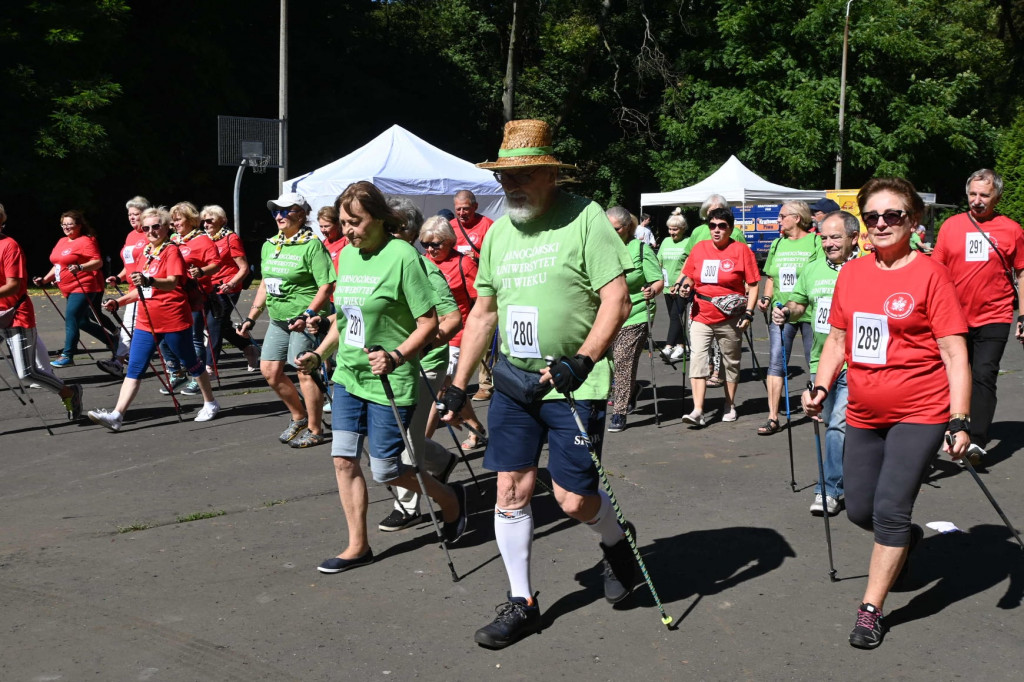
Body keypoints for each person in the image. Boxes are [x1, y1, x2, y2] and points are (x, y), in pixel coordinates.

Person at [439, 119, 635, 649]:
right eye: (505, 178)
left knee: (573, 500)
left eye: (523, 176)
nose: (513, 186)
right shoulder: (499, 233)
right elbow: (482, 313)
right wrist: (458, 386)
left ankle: (617, 542)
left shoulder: (586, 218)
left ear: (550, 174)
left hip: (575, 383)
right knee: (511, 487)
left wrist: (585, 359)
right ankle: (522, 601)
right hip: (514, 384)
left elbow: (616, 299)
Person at [803, 177, 970, 650]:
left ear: (912, 220)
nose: (880, 223)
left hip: (920, 410)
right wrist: (820, 386)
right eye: (872, 216)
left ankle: (871, 610)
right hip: (864, 409)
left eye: (892, 215)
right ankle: (907, 540)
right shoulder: (853, 274)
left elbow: (955, 354)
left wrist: (959, 418)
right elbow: (837, 339)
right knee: (860, 509)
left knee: (891, 510)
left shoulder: (930, 274)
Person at [296, 181, 466, 573]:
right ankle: (358, 545)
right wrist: (319, 353)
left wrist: (396, 355)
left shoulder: (403, 256)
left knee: (386, 468)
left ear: (378, 218)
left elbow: (429, 322)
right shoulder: (347, 257)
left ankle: (452, 500)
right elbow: (345, 318)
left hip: (391, 380)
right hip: (349, 376)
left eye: (355, 222)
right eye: (343, 222)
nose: (349, 230)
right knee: (343, 460)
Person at [87, 207, 220, 430]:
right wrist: (118, 302)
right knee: (135, 368)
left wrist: (150, 281)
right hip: (146, 321)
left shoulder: (171, 251)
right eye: (146, 228)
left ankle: (210, 402)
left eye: (156, 226)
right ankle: (117, 415)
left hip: (173, 318)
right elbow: (138, 288)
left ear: (167, 227)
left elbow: (173, 282)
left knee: (191, 363)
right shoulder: (146, 252)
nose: (151, 231)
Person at [375, 200, 461, 533]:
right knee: (391, 436)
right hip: (387, 365)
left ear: (411, 232)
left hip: (424, 364)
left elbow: (452, 318)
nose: (390, 234)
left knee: (406, 440)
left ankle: (406, 505)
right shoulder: (379, 265)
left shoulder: (424, 269)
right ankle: (441, 460)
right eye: (386, 227)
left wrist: (422, 344)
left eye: (396, 228)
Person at [932, 169, 1024, 465]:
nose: (977, 200)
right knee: (953, 375)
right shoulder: (951, 226)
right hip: (954, 316)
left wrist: (1023, 315)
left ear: (996, 195)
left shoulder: (1011, 229)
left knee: (984, 374)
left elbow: (1021, 273)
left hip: (994, 314)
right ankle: (953, 427)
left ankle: (977, 441)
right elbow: (936, 270)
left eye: (984, 195)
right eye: (973, 194)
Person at [772, 210, 859, 515]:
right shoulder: (812, 267)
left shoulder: (867, 268)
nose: (828, 243)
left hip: (857, 363)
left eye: (836, 237)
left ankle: (829, 489)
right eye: (824, 237)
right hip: (822, 362)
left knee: (838, 424)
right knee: (837, 425)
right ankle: (851, 477)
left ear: (853, 238)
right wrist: (786, 311)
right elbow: (799, 303)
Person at [238, 193, 335, 448]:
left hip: (305, 319)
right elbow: (265, 285)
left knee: (304, 370)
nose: (279, 216)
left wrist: (309, 314)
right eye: (275, 212)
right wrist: (251, 317)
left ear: (301, 214)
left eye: (285, 211)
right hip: (279, 318)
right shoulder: (270, 245)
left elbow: (326, 285)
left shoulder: (312, 245)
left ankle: (315, 429)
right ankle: (299, 416)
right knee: (269, 371)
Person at [674, 207, 758, 426]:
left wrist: (749, 312)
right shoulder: (700, 248)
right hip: (701, 314)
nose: (716, 230)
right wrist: (685, 286)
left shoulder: (741, 250)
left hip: (730, 317)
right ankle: (698, 410)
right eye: (712, 226)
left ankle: (729, 404)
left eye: (722, 226)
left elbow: (753, 284)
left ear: (730, 228)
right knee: (698, 360)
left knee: (730, 363)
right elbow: (691, 277)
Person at [0, 202, 84, 421]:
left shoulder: (9, 246)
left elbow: (14, 285)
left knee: (26, 374)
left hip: (15, 314)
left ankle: (69, 392)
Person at [417, 215, 488, 449]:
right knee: (447, 387)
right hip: (428, 335)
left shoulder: (464, 264)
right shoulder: (420, 263)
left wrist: (477, 334)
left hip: (458, 335)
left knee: (437, 391)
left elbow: (481, 302)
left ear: (449, 241)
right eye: (425, 244)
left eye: (435, 244)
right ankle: (475, 425)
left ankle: (420, 448)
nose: (430, 249)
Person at [756, 201, 821, 436]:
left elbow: (822, 271)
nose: (779, 220)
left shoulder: (815, 242)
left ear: (797, 217)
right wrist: (765, 297)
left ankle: (818, 402)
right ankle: (773, 416)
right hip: (781, 312)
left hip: (810, 311)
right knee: (775, 361)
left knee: (814, 360)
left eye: (783, 216)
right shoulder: (777, 243)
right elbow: (771, 277)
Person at [35, 210, 119, 369]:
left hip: (84, 285)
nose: (66, 227)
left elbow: (98, 262)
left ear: (79, 225)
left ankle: (68, 355)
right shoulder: (62, 241)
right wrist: (45, 279)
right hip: (67, 287)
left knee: (72, 317)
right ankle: (113, 341)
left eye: (70, 224)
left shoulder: (87, 240)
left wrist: (81, 267)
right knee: (81, 321)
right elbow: (58, 265)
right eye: (63, 224)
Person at [679, 195, 747, 388]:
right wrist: (681, 282)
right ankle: (706, 368)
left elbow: (743, 261)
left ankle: (718, 371)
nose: (715, 226)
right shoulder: (698, 232)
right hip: (702, 294)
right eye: (710, 214)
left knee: (722, 343)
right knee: (700, 341)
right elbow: (688, 260)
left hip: (728, 298)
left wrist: (745, 295)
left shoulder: (736, 235)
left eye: (718, 212)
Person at [606, 205, 663, 432]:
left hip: (637, 311)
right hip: (608, 313)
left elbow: (658, 280)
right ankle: (631, 389)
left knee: (623, 360)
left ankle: (619, 412)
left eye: (616, 229)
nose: (612, 234)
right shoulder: (602, 248)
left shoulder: (640, 249)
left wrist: (653, 290)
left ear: (627, 227)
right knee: (609, 363)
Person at [169, 202, 220, 395]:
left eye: (178, 219)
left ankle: (197, 379)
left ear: (190, 220)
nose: (175, 223)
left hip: (195, 294)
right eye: (173, 220)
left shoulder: (203, 240)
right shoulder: (173, 239)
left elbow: (216, 264)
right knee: (170, 338)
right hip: (174, 295)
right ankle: (178, 373)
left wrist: (201, 271)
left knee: (195, 338)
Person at [450, 190, 496, 402]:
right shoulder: (450, 227)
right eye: (458, 209)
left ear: (475, 207)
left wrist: (475, 257)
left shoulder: (488, 225)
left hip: (481, 291)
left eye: (465, 209)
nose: (461, 213)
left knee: (482, 337)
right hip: (457, 291)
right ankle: (451, 382)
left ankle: (485, 384)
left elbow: (497, 257)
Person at [202, 204, 261, 372]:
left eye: (210, 221)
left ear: (222, 221)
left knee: (214, 325)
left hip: (227, 289)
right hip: (209, 289)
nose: (206, 225)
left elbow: (243, 267)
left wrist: (232, 283)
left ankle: (209, 368)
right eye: (204, 221)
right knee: (222, 325)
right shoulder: (205, 240)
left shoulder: (230, 238)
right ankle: (249, 348)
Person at [102, 196, 152, 377]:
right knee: (131, 326)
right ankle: (122, 360)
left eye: (136, 214)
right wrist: (119, 277)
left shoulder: (150, 234)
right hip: (132, 289)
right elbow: (129, 265)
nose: (131, 217)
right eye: (129, 214)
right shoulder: (131, 235)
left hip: (145, 288)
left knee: (130, 325)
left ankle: (119, 361)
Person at [658, 210, 689, 360]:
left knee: (676, 316)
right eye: (670, 229)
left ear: (683, 228)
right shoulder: (665, 241)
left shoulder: (688, 242)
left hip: (682, 286)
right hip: (666, 286)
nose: (671, 232)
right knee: (674, 317)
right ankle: (681, 346)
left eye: (675, 229)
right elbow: (659, 262)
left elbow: (689, 265)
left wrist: (680, 283)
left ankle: (669, 346)